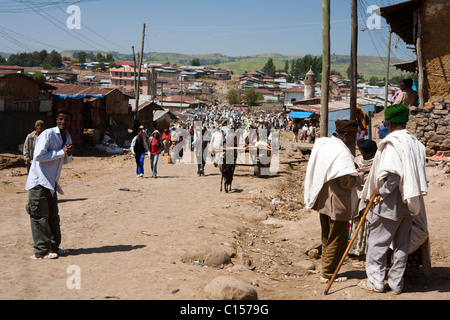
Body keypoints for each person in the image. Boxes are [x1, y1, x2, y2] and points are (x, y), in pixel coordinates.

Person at [360, 104, 428, 294]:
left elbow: (394, 176)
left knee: (377, 242)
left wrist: (380, 190)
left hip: (391, 202)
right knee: (402, 245)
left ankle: (376, 282)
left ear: (389, 123)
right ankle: (397, 284)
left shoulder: (392, 142)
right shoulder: (414, 142)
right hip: (409, 202)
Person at [304, 120, 364, 284]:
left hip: (323, 200)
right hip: (337, 203)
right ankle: (329, 274)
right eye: (353, 135)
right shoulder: (341, 152)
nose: (354, 139)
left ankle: (326, 269)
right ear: (345, 135)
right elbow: (346, 182)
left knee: (327, 237)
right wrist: (361, 176)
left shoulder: (326, 144)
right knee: (336, 239)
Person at [25, 109, 74, 260]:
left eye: (66, 120)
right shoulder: (48, 134)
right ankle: (40, 251)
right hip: (39, 181)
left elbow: (64, 160)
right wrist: (61, 151)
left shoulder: (67, 136)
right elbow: (38, 156)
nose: (63, 122)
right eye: (60, 119)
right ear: (56, 119)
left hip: (51, 183)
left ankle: (54, 247)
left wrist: (68, 154)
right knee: (39, 216)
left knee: (53, 216)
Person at [348, 139, 378, 258]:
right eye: (361, 152)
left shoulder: (377, 162)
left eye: (364, 152)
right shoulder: (359, 161)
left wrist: (363, 172)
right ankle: (355, 249)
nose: (363, 155)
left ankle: (365, 252)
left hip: (369, 197)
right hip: (357, 195)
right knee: (356, 220)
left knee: (366, 222)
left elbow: (376, 174)